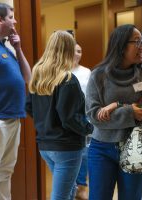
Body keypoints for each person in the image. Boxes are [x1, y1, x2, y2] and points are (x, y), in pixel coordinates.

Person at [85, 24, 142, 200]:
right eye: (137, 42)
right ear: (121, 45)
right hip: (101, 147)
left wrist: (115, 106)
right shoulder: (99, 75)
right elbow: (94, 115)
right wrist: (128, 111)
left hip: (137, 145)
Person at [25, 31, 93, 200]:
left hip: (46, 145)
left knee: (69, 190)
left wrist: (47, 123)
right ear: (69, 50)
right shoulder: (68, 79)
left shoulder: (39, 75)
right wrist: (89, 128)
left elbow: (28, 106)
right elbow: (69, 118)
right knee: (60, 196)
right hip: (66, 146)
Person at [0, 2, 31, 199]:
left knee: (4, 174)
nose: (15, 20)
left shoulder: (4, 46)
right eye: (11, 17)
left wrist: (18, 48)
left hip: (12, 120)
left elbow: (28, 78)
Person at [72, 43, 91, 200]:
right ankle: (71, 186)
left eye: (80, 50)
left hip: (84, 116)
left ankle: (82, 186)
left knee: (84, 153)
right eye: (74, 51)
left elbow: (91, 95)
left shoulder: (86, 72)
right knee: (68, 152)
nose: (78, 54)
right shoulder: (60, 71)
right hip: (65, 118)